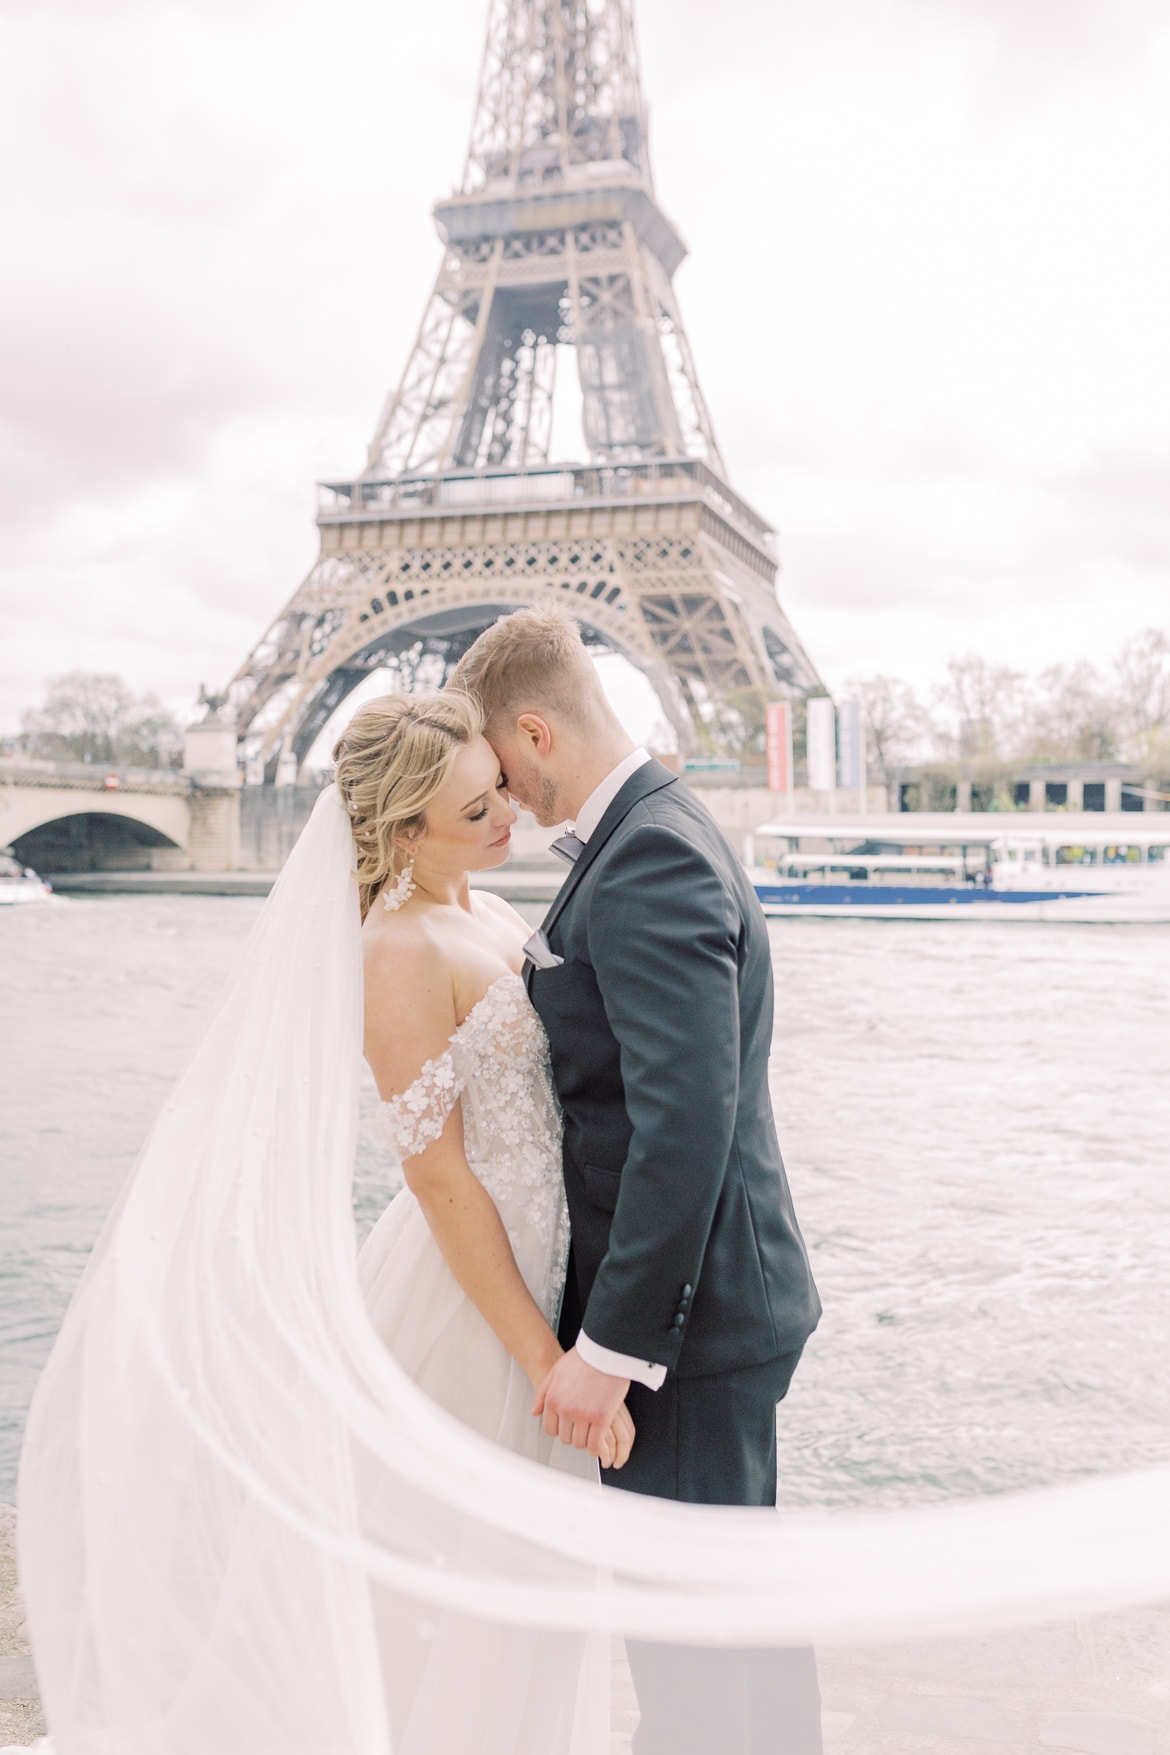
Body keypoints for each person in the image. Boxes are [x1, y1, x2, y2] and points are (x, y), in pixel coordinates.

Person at [454, 603, 825, 1755]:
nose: (506, 802)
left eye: (504, 774)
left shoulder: (651, 854)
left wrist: (609, 1356)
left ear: (533, 729)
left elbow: (684, 1126)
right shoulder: (654, 829)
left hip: (690, 1327)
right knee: (734, 1639)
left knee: (697, 1659)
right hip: (711, 1307)